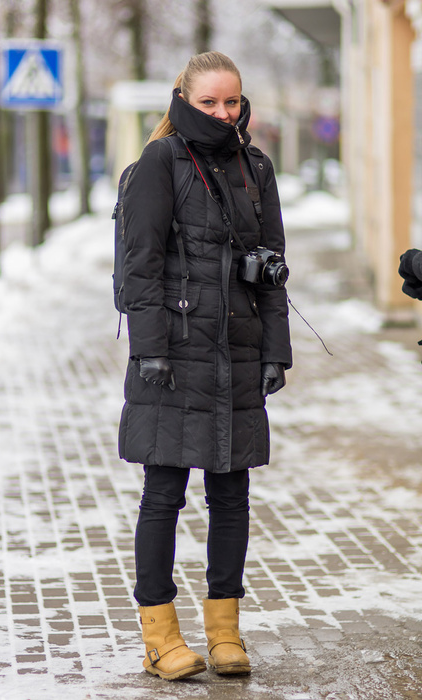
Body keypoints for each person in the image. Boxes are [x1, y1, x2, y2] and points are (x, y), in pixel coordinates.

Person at [118, 51, 292, 681]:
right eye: (210, 102)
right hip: (172, 353)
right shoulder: (159, 163)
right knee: (163, 495)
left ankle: (224, 632)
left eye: (232, 101)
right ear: (183, 100)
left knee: (232, 495)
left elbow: (273, 268)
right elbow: (139, 265)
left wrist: (275, 350)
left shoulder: (256, 167)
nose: (223, 112)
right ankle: (160, 637)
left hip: (237, 351)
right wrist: (151, 348)